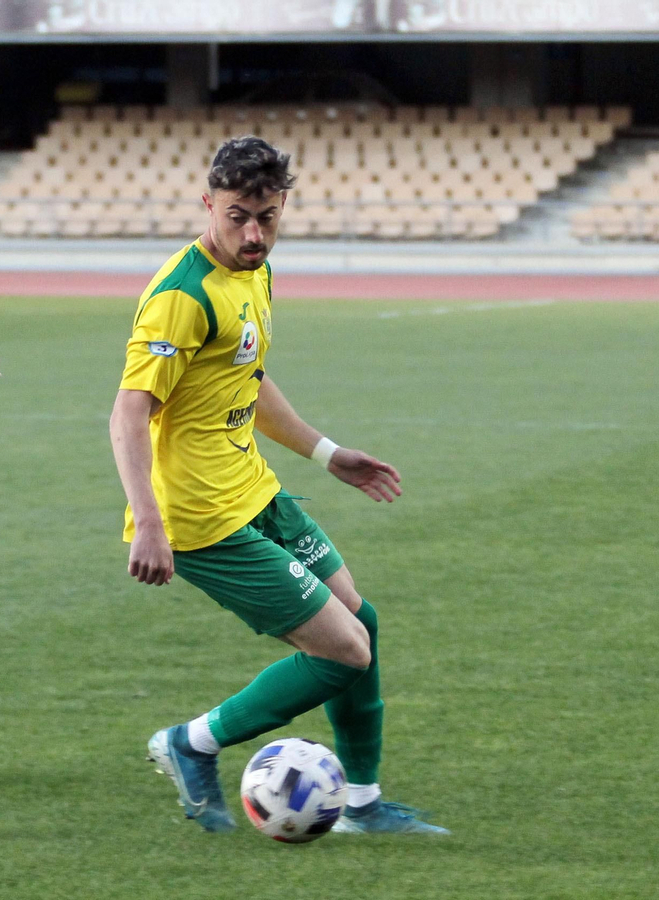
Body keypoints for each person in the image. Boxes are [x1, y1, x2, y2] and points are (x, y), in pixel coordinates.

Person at [109, 136, 449, 835]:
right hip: (199, 518)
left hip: (252, 490)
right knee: (344, 650)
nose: (253, 235)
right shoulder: (182, 296)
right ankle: (191, 742)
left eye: (266, 217)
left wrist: (326, 453)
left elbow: (246, 378)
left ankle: (362, 806)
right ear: (208, 205)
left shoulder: (256, 271)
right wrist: (149, 522)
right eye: (237, 217)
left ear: (283, 206)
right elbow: (128, 413)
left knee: (362, 622)